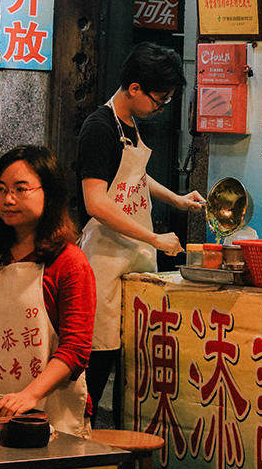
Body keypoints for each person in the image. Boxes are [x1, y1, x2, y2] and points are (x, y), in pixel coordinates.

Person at [77, 42, 205, 425]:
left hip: (130, 258)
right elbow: (96, 202)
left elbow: (134, 177)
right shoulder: (99, 128)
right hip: (103, 259)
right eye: (159, 99)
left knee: (127, 363)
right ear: (134, 88)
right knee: (97, 361)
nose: (160, 107)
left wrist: (177, 200)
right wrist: (153, 239)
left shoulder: (128, 126)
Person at [0, 145, 96, 438]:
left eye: (21, 189)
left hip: (51, 416)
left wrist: (29, 395)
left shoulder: (70, 261)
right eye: (0, 190)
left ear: (50, 193)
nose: (8, 199)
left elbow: (76, 348)